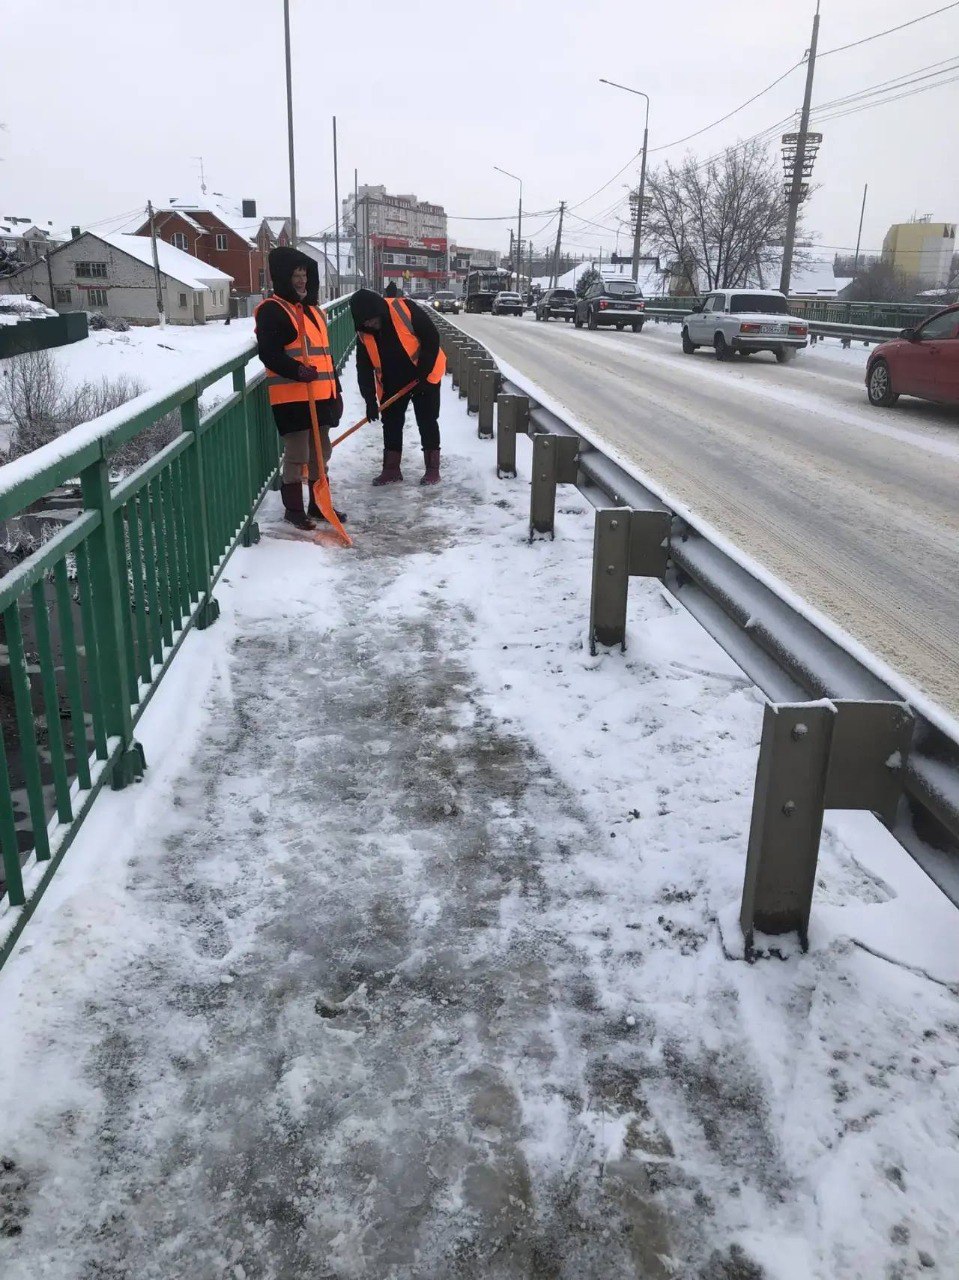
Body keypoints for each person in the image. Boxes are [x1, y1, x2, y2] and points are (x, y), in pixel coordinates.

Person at [254, 247, 344, 530]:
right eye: (295, 275)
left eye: (304, 274)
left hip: (321, 396)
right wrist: (296, 371)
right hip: (292, 398)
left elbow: (325, 355)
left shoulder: (314, 311)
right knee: (297, 455)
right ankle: (294, 510)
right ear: (283, 277)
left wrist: (336, 390)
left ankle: (318, 505)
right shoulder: (273, 310)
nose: (301, 281)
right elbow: (269, 353)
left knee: (321, 453)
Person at [349, 287, 446, 486]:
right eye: (364, 322)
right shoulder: (363, 333)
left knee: (427, 420)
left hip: (424, 374)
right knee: (391, 422)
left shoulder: (404, 309)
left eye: (371, 319)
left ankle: (432, 470)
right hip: (393, 382)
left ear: (379, 310)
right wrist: (369, 400)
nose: (370, 324)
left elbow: (431, 337)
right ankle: (391, 469)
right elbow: (363, 367)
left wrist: (423, 372)